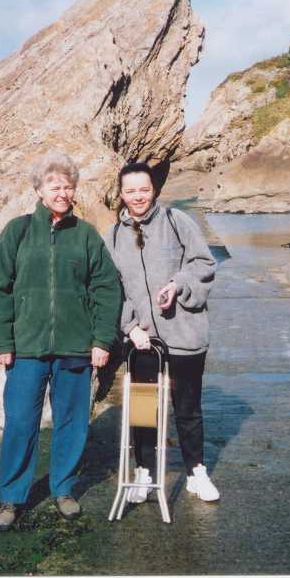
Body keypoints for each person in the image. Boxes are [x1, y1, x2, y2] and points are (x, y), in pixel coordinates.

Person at [0, 151, 122, 530]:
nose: (62, 192)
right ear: (39, 190)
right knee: (21, 422)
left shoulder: (86, 235)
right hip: (26, 347)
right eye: (54, 185)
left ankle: (64, 489)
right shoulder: (18, 231)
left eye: (67, 185)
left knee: (73, 422)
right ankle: (11, 497)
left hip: (76, 347)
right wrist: (0, 341)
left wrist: (102, 340)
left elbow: (107, 289)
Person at [103, 162, 220, 503]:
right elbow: (111, 290)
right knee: (143, 409)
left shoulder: (177, 221)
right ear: (121, 195)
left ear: (153, 190)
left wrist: (177, 285)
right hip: (142, 340)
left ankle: (197, 472)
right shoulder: (112, 237)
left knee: (187, 408)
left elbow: (203, 264)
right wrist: (130, 327)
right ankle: (145, 473)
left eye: (143, 189)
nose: (137, 196)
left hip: (185, 333)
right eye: (130, 191)